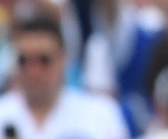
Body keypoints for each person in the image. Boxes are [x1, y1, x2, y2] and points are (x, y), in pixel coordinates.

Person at [0, 16, 128, 139]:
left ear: (63, 58)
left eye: (44, 60)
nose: (33, 71)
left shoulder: (101, 114)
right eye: (24, 61)